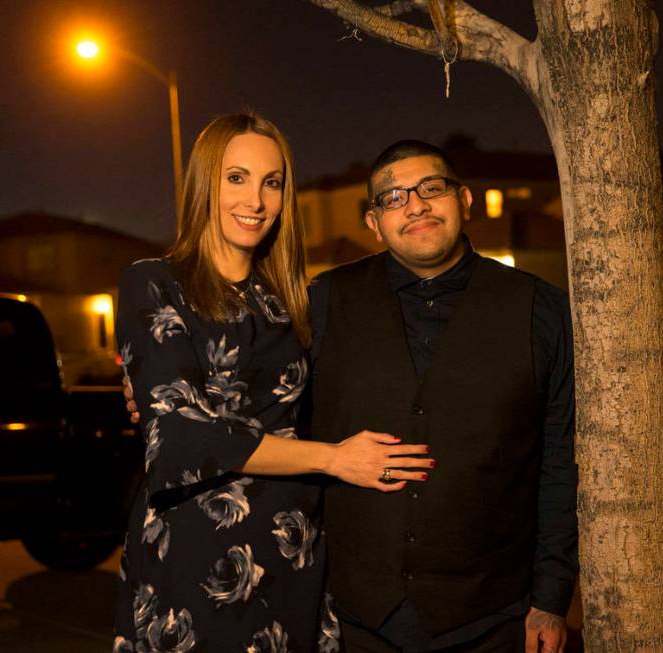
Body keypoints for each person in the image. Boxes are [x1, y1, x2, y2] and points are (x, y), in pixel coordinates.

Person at [112, 115, 434, 653]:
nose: (255, 200)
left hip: (293, 547)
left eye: (272, 182)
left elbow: (322, 401)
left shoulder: (287, 301)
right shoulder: (155, 282)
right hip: (200, 552)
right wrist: (334, 458)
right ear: (204, 185)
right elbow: (185, 438)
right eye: (235, 178)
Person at [305, 140, 578, 652]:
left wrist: (550, 598)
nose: (415, 205)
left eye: (432, 188)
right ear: (373, 223)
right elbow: (261, 400)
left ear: (465, 201)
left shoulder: (540, 309)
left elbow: (560, 461)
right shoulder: (323, 301)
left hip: (493, 616)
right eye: (394, 198)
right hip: (355, 616)